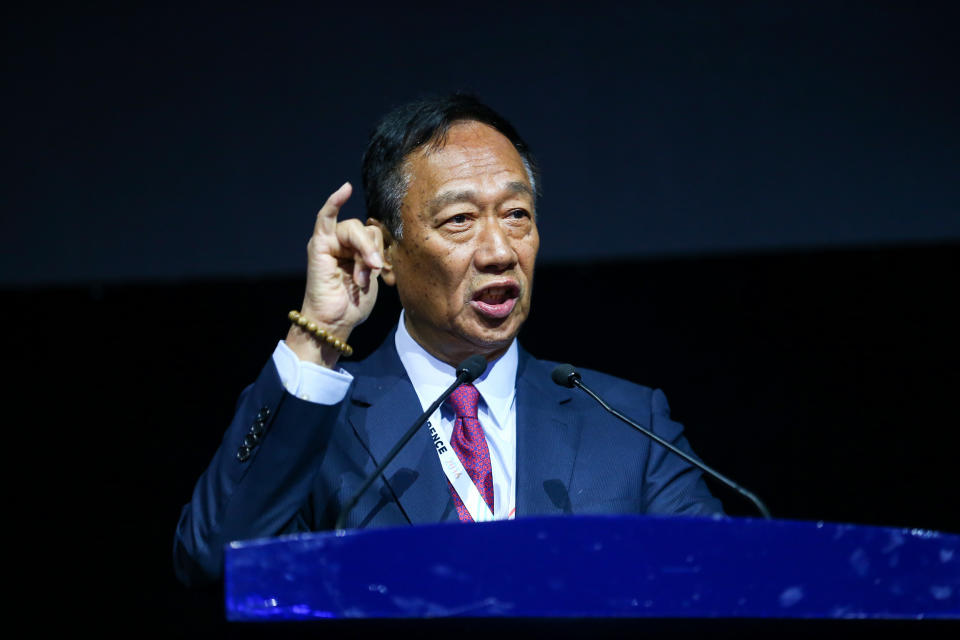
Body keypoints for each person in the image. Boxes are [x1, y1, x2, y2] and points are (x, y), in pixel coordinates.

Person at [173, 94, 723, 586]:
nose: (499, 251)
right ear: (385, 251)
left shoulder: (627, 422)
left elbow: (721, 583)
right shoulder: (322, 424)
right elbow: (218, 562)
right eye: (460, 219)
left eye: (516, 215)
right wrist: (318, 333)